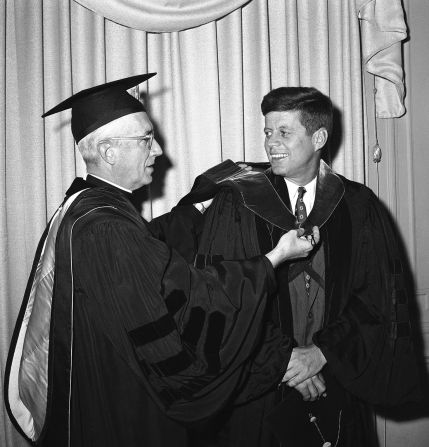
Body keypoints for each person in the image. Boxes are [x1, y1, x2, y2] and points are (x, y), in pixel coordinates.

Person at [4, 75, 321, 447]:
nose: (158, 151)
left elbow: (148, 249)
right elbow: (184, 304)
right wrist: (273, 259)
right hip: (123, 411)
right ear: (108, 152)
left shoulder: (86, 205)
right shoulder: (107, 228)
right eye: (145, 139)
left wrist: (199, 208)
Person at [161, 87, 421, 446]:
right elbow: (220, 294)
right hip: (260, 387)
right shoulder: (236, 203)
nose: (271, 143)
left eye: (284, 132)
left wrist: (323, 353)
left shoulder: (357, 206)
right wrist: (283, 362)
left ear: (319, 138)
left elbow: (378, 295)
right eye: (268, 132)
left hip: (335, 378)